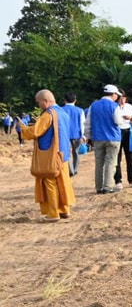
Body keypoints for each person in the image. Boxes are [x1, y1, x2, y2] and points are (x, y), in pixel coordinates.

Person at [18, 90, 75, 222]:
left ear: (46, 101)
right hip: (64, 153)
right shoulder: (63, 112)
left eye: (39, 102)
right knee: (63, 182)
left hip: (51, 155)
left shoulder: (48, 114)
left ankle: (53, 213)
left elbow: (36, 131)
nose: (39, 105)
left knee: (50, 182)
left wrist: (23, 128)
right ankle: (65, 210)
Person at [85, 85, 124, 193]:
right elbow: (118, 121)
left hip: (98, 138)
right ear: (113, 94)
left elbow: (88, 123)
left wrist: (88, 136)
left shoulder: (93, 106)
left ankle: (99, 187)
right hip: (113, 138)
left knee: (99, 163)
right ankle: (107, 186)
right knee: (110, 162)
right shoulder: (114, 106)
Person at [114, 89, 132, 190]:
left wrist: (131, 119)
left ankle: (131, 179)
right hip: (118, 131)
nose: (121, 100)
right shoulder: (114, 107)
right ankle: (118, 180)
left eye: (123, 98)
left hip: (128, 131)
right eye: (120, 98)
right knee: (117, 157)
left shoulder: (129, 107)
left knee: (130, 157)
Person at [59, 93, 85, 176]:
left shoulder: (61, 110)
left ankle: (70, 170)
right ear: (75, 100)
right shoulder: (80, 110)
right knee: (76, 152)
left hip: (64, 135)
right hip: (77, 134)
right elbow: (82, 123)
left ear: (65, 100)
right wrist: (83, 135)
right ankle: (75, 168)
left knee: (67, 152)